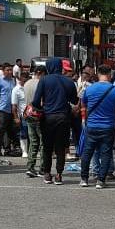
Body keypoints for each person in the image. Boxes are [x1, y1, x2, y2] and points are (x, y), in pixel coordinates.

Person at [32, 57, 78, 185]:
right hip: (63, 117)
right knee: (60, 147)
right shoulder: (69, 81)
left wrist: (41, 108)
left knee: (47, 147)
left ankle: (47, 174)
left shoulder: (44, 80)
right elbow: (74, 100)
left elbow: (36, 101)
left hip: (48, 117)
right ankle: (59, 174)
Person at [79, 65, 115, 189]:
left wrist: (85, 119)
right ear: (110, 75)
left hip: (92, 125)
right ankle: (101, 180)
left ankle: (84, 179)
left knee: (87, 153)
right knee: (106, 153)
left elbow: (83, 105)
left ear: (98, 74)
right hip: (108, 126)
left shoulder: (90, 89)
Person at [22, 65, 45, 177]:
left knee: (33, 142)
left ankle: (30, 167)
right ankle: (42, 168)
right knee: (43, 143)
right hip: (39, 114)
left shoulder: (27, 83)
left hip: (29, 113)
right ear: (41, 73)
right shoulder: (41, 84)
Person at [0, 63, 20, 157]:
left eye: (10, 70)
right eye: (7, 70)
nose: (9, 72)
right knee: (0, 130)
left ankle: (7, 149)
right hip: (2, 109)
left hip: (11, 109)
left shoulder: (13, 81)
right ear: (3, 71)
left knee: (10, 130)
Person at [11, 71, 29, 160]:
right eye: (23, 78)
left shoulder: (29, 87)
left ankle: (31, 151)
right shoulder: (16, 90)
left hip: (32, 114)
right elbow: (14, 105)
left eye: (27, 78)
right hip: (23, 115)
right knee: (23, 133)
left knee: (32, 134)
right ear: (20, 79)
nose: (25, 80)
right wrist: (16, 117)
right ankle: (24, 151)